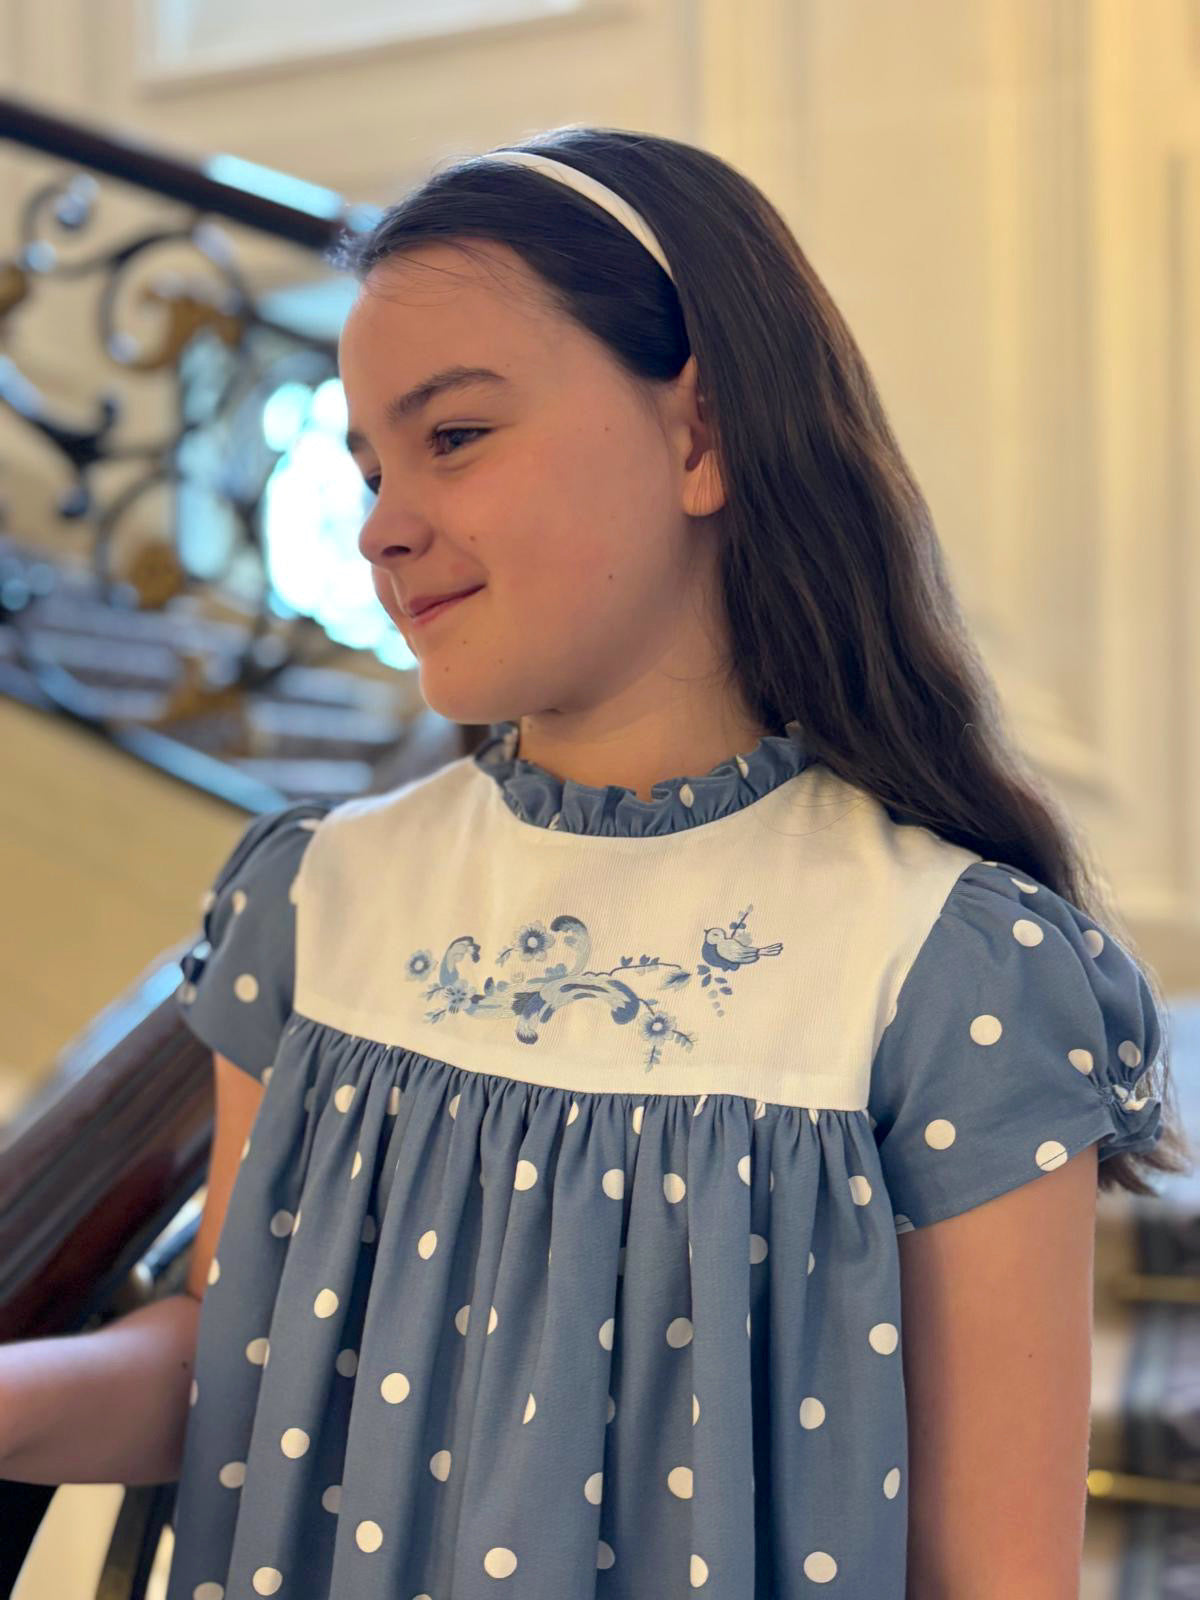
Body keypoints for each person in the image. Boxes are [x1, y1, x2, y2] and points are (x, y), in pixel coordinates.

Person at [160, 129, 1190, 1597]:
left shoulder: (946, 972)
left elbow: (992, 1574)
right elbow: (222, 1358)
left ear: (701, 436)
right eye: (369, 467)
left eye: (454, 437)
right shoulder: (313, 899)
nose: (382, 528)